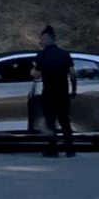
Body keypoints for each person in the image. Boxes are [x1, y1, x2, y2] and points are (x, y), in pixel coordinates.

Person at [30, 25, 78, 158]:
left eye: (43, 39)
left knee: (50, 122)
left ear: (49, 39)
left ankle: (53, 149)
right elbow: (73, 73)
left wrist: (32, 71)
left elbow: (36, 75)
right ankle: (69, 149)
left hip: (49, 94)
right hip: (63, 93)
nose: (41, 41)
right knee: (65, 121)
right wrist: (74, 89)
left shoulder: (41, 55)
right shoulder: (65, 54)